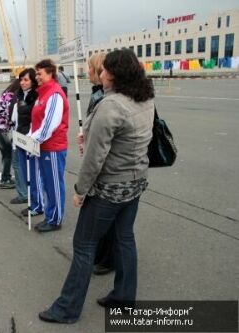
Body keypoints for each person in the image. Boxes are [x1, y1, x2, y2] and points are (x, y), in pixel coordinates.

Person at [38, 49, 155, 324]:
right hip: (135, 181)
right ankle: (124, 297)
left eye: (103, 70)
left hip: (110, 187)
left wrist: (80, 190)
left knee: (84, 245)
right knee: (124, 238)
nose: (99, 74)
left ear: (113, 74)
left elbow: (95, 157)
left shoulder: (111, 105)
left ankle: (67, 308)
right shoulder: (145, 96)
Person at [83, 52, 115, 276]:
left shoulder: (103, 97)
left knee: (105, 217)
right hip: (105, 162)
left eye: (91, 68)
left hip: (108, 167)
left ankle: (107, 258)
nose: (88, 72)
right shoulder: (97, 93)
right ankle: (103, 254)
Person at [30, 59, 70, 233]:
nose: (36, 77)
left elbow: (49, 125)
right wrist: (30, 138)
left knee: (54, 184)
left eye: (40, 73)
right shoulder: (43, 94)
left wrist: (32, 141)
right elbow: (36, 122)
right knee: (47, 183)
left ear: (50, 74)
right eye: (36, 73)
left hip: (52, 147)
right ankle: (50, 215)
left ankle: (55, 220)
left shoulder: (54, 94)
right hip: (43, 146)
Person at [10, 68, 41, 207]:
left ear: (33, 81)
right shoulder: (20, 95)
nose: (22, 82)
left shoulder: (37, 96)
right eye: (21, 80)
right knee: (22, 170)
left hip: (31, 139)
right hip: (20, 137)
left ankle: (36, 203)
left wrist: (31, 136)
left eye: (26, 80)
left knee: (33, 174)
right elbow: (17, 119)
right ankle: (30, 201)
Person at [0, 79, 20, 189]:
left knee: (5, 154)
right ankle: (5, 179)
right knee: (8, 154)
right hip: (1, 128)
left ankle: (5, 176)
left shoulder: (5, 93)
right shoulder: (12, 96)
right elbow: (9, 114)